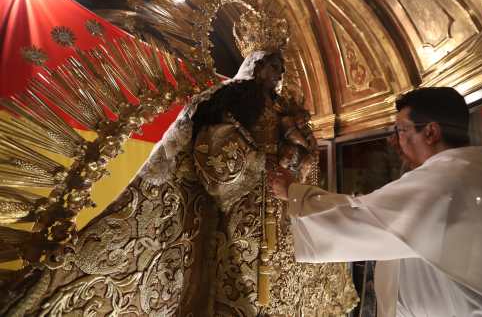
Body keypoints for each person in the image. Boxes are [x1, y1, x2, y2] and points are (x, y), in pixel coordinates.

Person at [2, 50, 357, 317]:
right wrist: (257, 163)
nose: (278, 74)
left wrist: (296, 155)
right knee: (241, 282)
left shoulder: (286, 111)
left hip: (283, 208)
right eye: (271, 65)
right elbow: (213, 148)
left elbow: (304, 161)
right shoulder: (233, 99)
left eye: (282, 68)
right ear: (255, 65)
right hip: (241, 209)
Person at [270, 87, 482, 317]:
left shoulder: (447, 180)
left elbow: (363, 219)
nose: (396, 142)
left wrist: (294, 194)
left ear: (430, 132)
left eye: (401, 131)